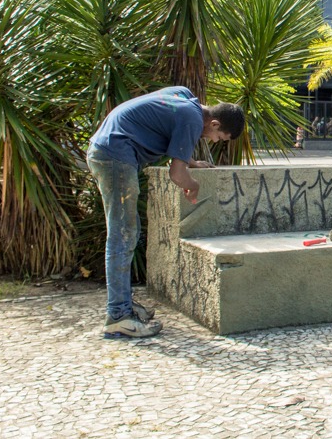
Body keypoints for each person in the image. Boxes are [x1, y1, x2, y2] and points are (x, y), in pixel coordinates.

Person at [86, 86, 245, 338]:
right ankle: (117, 315)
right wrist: (193, 184)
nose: (214, 142)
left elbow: (168, 133)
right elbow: (176, 174)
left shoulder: (184, 96)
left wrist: (191, 162)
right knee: (123, 235)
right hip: (114, 156)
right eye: (219, 137)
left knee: (127, 232)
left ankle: (123, 305)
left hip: (107, 149)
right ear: (214, 124)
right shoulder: (192, 120)